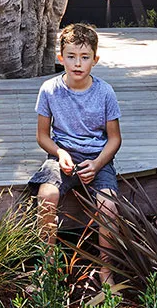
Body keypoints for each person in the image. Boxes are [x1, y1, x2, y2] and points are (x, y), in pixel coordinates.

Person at [32, 22, 121, 286]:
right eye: (71, 57)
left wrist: (97, 163)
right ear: (61, 58)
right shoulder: (49, 90)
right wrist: (60, 153)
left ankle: (106, 272)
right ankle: (47, 267)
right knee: (47, 195)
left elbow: (114, 139)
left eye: (84, 58)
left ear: (95, 60)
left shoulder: (105, 92)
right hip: (63, 158)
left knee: (109, 206)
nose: (77, 64)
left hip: (98, 159)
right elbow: (42, 136)